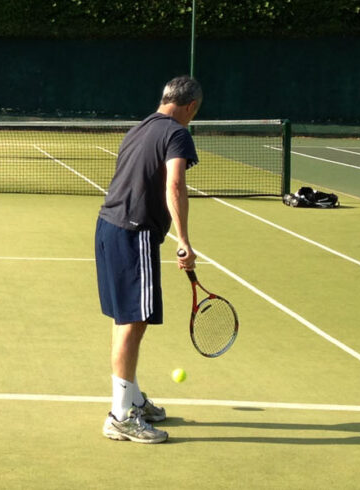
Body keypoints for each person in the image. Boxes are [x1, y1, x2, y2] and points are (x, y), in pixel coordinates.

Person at [94, 75, 202, 444]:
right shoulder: (177, 133)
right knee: (134, 321)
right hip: (133, 231)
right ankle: (121, 416)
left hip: (107, 227)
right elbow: (175, 183)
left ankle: (132, 398)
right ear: (190, 107)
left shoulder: (138, 128)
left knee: (125, 318)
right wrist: (184, 240)